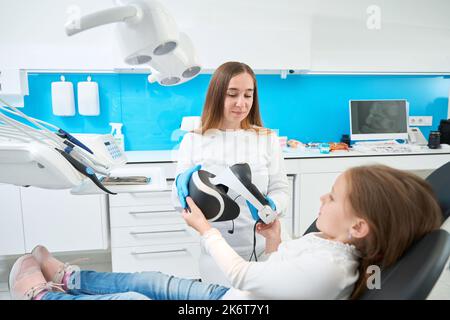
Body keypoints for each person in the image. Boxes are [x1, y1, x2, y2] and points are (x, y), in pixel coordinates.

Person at [9, 165, 442, 300]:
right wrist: (275, 239)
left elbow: (245, 278)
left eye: (331, 198)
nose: (321, 202)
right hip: (235, 302)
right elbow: (284, 270)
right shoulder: (332, 246)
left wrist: (204, 230)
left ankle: (44, 297)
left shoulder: (330, 271)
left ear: (358, 226)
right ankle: (74, 279)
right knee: (153, 281)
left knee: (137, 300)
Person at [172, 61, 290, 285]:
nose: (241, 103)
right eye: (232, 94)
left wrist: (273, 206)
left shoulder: (266, 139)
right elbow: (179, 203)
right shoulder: (193, 140)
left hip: (264, 250)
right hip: (215, 255)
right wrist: (181, 190)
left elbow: (281, 190)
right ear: (217, 95)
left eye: (248, 95)